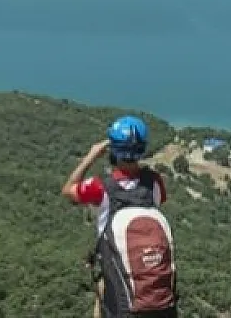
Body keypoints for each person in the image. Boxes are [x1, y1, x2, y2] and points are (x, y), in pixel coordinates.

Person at [62, 115, 178, 318]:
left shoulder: (100, 188)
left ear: (112, 152)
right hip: (160, 303)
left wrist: (91, 155)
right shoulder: (155, 183)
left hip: (123, 302)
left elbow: (68, 190)